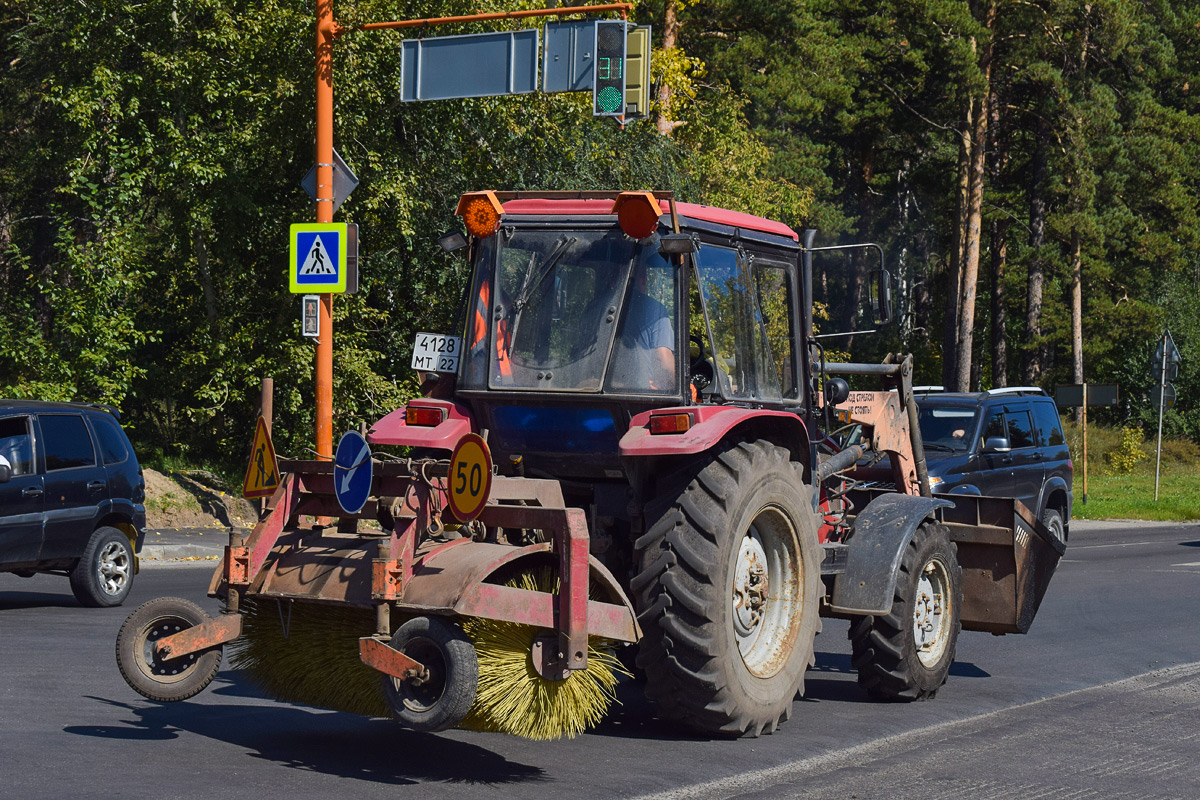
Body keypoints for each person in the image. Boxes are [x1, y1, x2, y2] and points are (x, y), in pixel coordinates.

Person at [616, 266, 676, 392]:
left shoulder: (593, 308)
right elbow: (663, 360)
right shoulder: (655, 309)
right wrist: (677, 384)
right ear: (643, 280)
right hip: (640, 393)